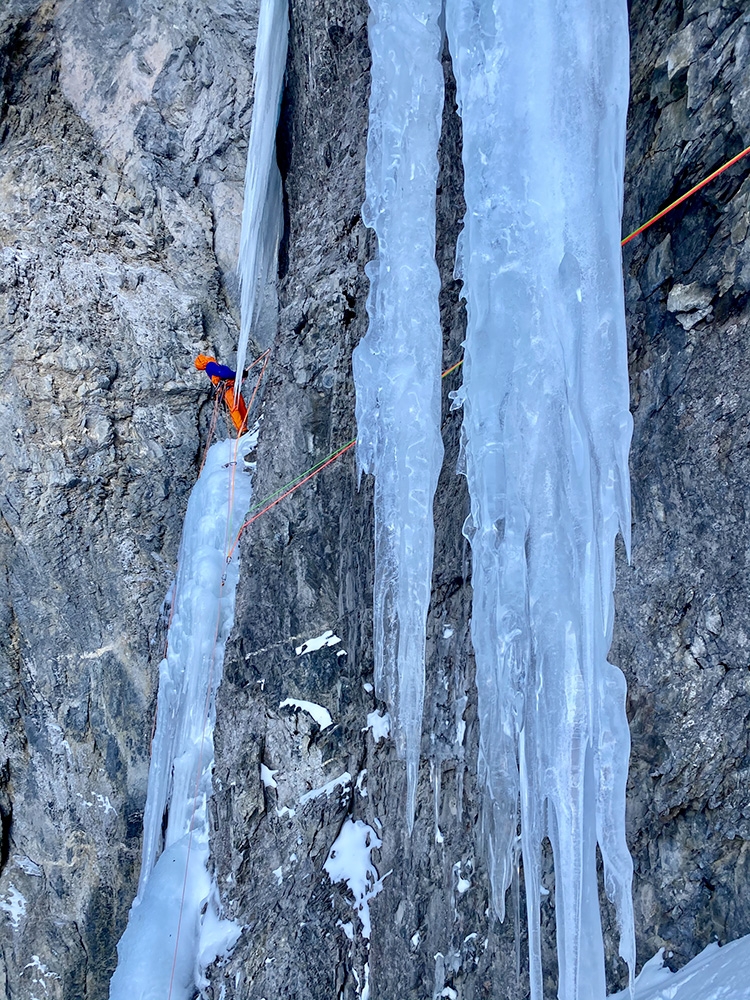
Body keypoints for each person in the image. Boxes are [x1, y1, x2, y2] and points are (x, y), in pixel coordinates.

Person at [194, 354, 248, 433]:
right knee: (237, 406)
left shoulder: (210, 366)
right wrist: (238, 375)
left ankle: (243, 428)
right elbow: (224, 374)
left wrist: (238, 375)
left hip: (230, 387)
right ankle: (243, 429)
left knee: (237, 406)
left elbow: (224, 374)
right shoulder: (210, 365)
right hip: (228, 388)